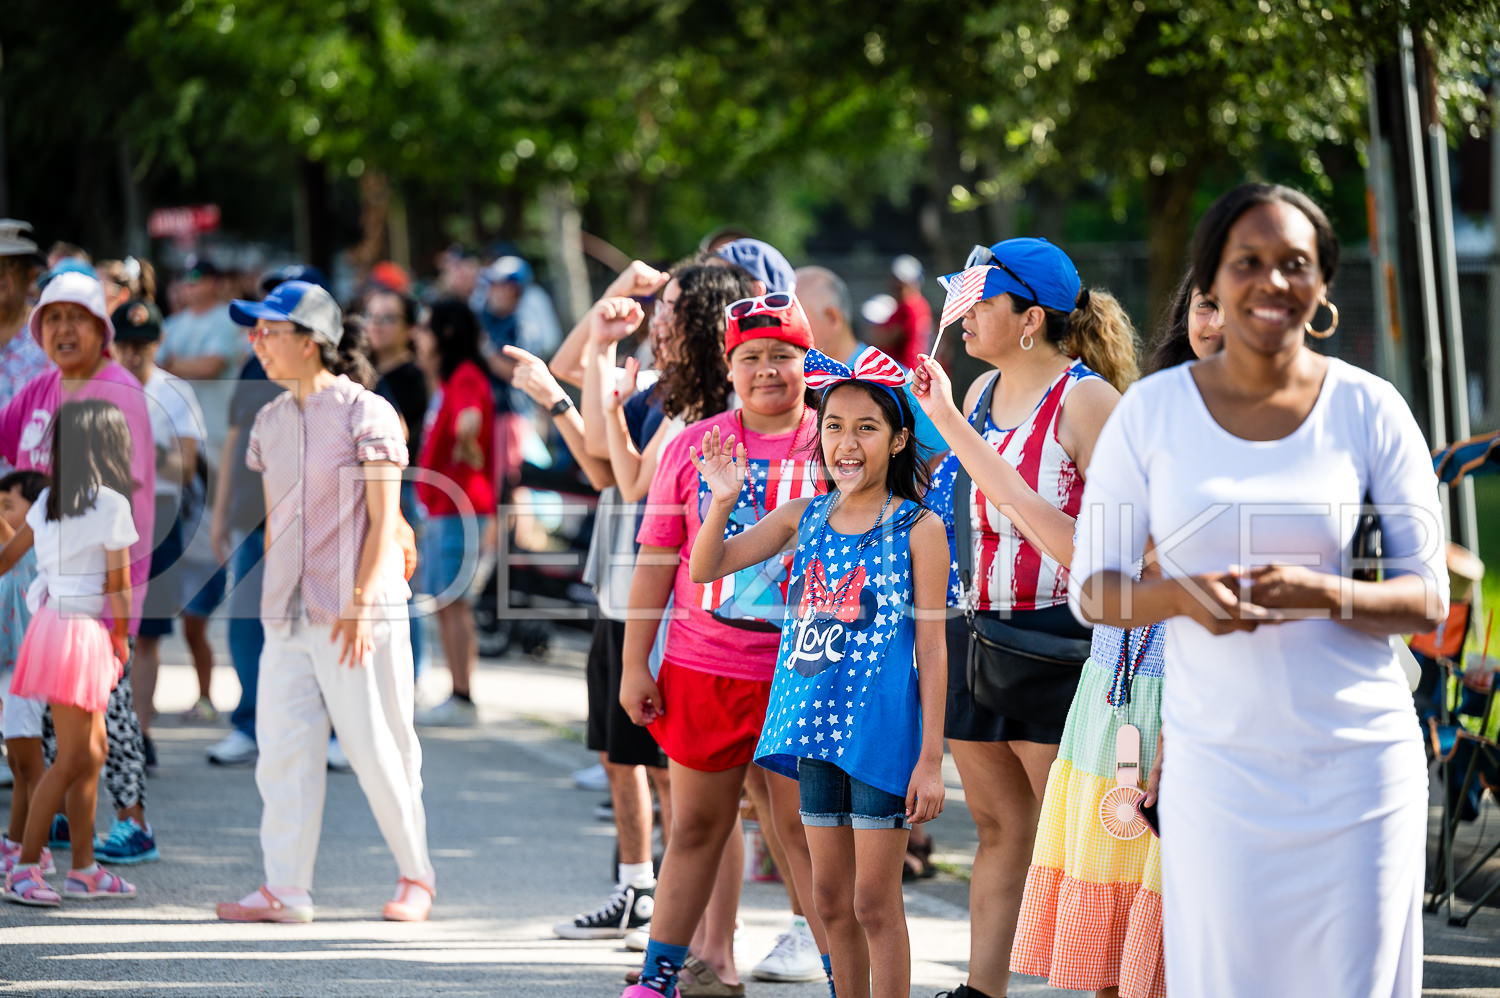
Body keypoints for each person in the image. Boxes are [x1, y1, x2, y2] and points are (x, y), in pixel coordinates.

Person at [1070, 183, 1447, 997]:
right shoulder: (1151, 413)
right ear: (1210, 279)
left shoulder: (1371, 408)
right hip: (1218, 768)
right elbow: (1094, 591)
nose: (1272, 281)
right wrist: (1183, 596)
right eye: (1249, 263)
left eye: (1295, 264)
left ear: (1322, 287)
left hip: (1360, 767)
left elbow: (1428, 597)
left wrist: (1320, 592)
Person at [909, 238, 1137, 998]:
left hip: (1058, 646)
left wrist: (954, 428)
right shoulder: (974, 394)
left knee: (1078, 840)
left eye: (982, 302)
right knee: (999, 828)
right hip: (981, 636)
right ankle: (981, 991)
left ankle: (1106, 986)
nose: (964, 316)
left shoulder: (1089, 401)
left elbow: (1098, 550)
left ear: (1031, 317)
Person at [690, 346, 950, 998]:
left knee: (873, 903)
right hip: (812, 731)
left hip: (882, 737)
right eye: (833, 425)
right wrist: (722, 498)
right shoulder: (802, 518)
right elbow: (706, 567)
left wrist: (930, 758)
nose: (846, 441)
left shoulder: (919, 528)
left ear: (897, 441)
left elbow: (935, 648)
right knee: (829, 900)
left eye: (867, 427)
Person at [1008, 277, 1223, 998]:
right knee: (1110, 935)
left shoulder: (1276, 428)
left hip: (1197, 688)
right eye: (1206, 303)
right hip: (1113, 689)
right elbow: (1106, 552)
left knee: (1179, 931)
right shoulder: (1151, 413)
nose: (1217, 322)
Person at [619, 293, 830, 998]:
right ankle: (658, 977)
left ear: (808, 360)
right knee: (695, 827)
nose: (768, 371)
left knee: (805, 835)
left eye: (783, 356)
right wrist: (632, 664)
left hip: (809, 672)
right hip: (705, 665)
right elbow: (655, 561)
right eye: (751, 359)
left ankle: (843, 975)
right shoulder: (693, 446)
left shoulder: (840, 437)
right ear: (729, 367)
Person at [215, 279, 433, 924]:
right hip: (285, 615)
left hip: (356, 610)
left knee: (379, 747)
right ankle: (287, 887)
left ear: (311, 342)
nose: (256, 343)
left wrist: (363, 602)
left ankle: (415, 875)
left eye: (269, 331)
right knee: (281, 750)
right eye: (253, 331)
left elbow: (386, 519)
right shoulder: (268, 421)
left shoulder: (369, 412)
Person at [0, 270, 158, 865]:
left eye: (77, 319)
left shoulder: (119, 391)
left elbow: (134, 502)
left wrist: (125, 602)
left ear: (101, 329)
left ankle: (134, 823)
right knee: (65, 728)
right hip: (47, 597)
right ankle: (67, 833)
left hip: (104, 597)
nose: (64, 330)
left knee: (108, 723)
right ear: (39, 330)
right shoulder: (37, 391)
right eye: (53, 319)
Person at [2, 400, 139, 905]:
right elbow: (119, 585)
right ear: (111, 446)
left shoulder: (48, 503)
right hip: (81, 633)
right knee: (73, 756)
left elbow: (7, 559)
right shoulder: (112, 505)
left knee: (92, 753)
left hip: (50, 628)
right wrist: (121, 637)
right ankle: (24, 868)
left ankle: (84, 868)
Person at [111, 296, 207, 772]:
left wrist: (142, 454)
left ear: (158, 344)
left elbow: (187, 466)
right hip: (108, 514)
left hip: (160, 515)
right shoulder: (102, 387)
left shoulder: (174, 393)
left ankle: (141, 731)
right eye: (125, 344)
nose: (133, 354)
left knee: (147, 633)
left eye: (142, 346)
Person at [412, 300, 494, 728]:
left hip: (458, 508)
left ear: (445, 334)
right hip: (453, 508)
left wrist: (467, 444)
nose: (418, 335)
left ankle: (462, 695)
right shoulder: (455, 377)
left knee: (453, 604)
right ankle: (459, 692)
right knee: (449, 603)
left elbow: (468, 420)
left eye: (425, 327)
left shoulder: (463, 377)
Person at [364, 288, 430, 680]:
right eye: (372, 316)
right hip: (369, 489)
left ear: (408, 328)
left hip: (404, 490)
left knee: (403, 586)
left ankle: (410, 675)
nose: (377, 326)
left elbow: (404, 436)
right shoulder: (363, 370)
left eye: (388, 318)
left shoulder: (413, 376)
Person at [0, 470, 49, 873]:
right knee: (18, 762)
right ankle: (15, 841)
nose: (3, 513)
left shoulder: (37, 545)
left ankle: (37, 850)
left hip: (27, 669)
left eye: (8, 505)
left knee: (30, 762)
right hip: (10, 670)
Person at [158, 255, 244, 458]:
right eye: (185, 278)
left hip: (217, 428)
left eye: (197, 277)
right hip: (180, 430)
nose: (189, 283)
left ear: (214, 283)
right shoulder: (172, 323)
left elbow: (211, 367)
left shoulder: (227, 318)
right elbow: (155, 368)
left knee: (216, 487)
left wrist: (172, 364)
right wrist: (182, 365)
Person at [0, 221, 51, 474]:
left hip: (37, 491)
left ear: (30, 275)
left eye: (8, 265)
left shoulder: (51, 335)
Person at [866, 255, 933, 371]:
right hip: (909, 370)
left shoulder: (909, 307)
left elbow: (887, 339)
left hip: (902, 372)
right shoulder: (920, 304)